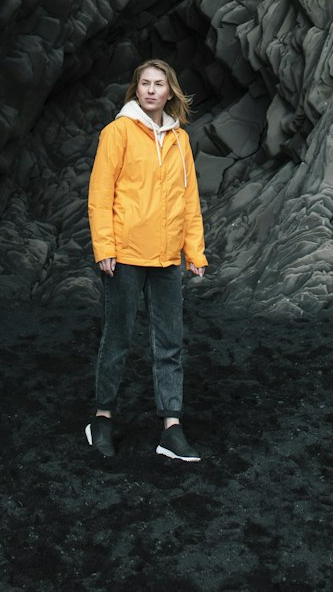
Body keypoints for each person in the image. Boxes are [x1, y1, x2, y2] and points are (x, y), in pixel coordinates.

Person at [85, 58, 207, 462]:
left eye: (159, 84)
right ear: (136, 89)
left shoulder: (180, 140)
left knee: (169, 343)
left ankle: (171, 429)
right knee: (117, 339)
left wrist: (195, 251)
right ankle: (101, 419)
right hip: (125, 256)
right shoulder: (117, 132)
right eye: (144, 83)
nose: (151, 90)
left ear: (170, 90)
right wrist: (104, 248)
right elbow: (100, 195)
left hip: (168, 257)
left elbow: (189, 201)